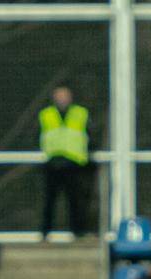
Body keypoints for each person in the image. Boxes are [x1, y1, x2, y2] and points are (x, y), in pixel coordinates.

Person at [39, 86, 90, 237]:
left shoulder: (80, 113)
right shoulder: (46, 114)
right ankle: (45, 232)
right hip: (52, 162)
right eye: (59, 96)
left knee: (75, 200)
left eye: (65, 96)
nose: (62, 99)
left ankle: (78, 232)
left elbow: (89, 134)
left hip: (73, 163)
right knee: (49, 200)